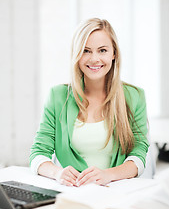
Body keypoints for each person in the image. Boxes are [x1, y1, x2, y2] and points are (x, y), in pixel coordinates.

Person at [30, 18, 149, 187]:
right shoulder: (58, 96)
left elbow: (139, 155)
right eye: (86, 51)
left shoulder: (134, 96)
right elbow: (38, 154)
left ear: (114, 53)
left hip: (116, 192)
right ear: (76, 55)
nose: (94, 59)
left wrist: (108, 175)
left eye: (102, 50)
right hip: (73, 192)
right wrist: (58, 173)